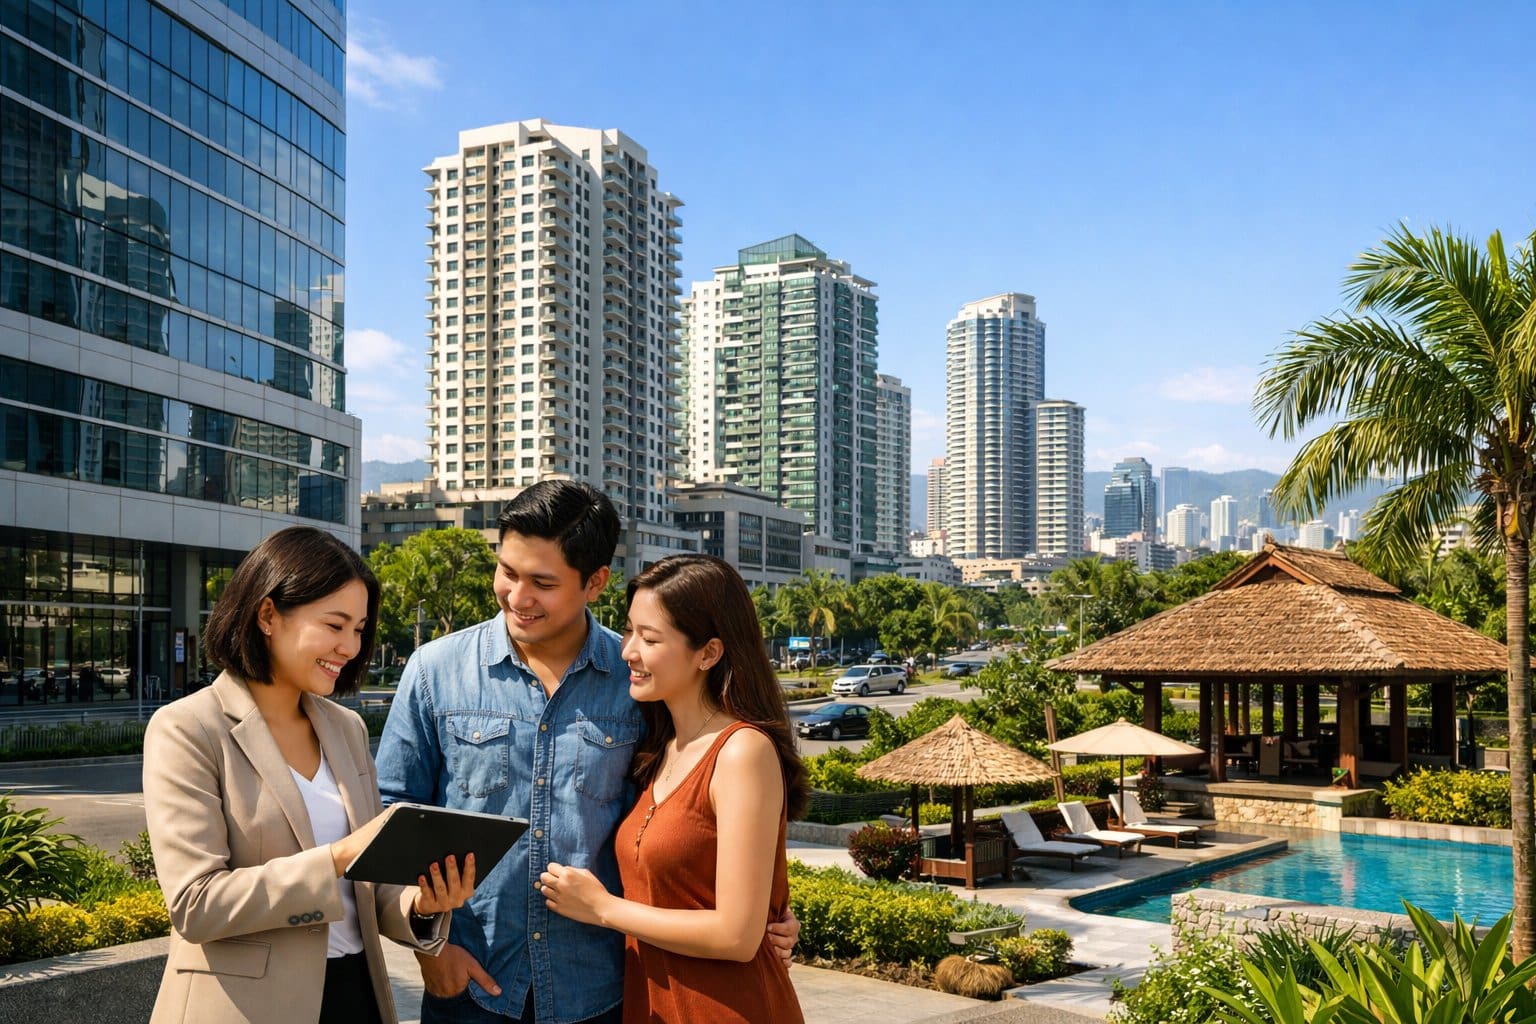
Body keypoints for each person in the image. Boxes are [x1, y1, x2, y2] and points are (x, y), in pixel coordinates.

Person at [376, 481, 797, 1024]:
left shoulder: (641, 680)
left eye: (543, 583)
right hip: (472, 990)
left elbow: (689, 819)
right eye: (508, 571)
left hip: (603, 993)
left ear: (595, 581)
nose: (517, 597)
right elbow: (388, 821)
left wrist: (770, 915)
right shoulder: (435, 672)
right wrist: (429, 948)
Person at [143, 526, 475, 1024]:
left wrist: (422, 905)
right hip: (246, 1009)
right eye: (335, 624)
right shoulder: (187, 729)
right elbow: (197, 904)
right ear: (269, 614)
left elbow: (370, 884)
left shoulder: (346, 728)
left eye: (360, 629)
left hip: (356, 995)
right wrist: (338, 857)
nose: (349, 645)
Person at [539, 554, 808, 1023]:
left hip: (727, 1009)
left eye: (651, 638)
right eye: (628, 631)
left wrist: (603, 908)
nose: (629, 651)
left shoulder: (742, 752)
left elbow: (738, 936)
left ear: (709, 652)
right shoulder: (659, 748)